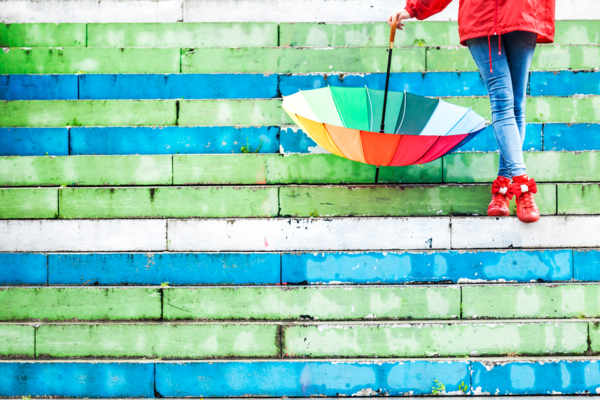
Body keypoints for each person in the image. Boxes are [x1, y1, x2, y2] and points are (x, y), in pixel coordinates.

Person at [389, 0, 555, 223]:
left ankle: (503, 188)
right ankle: (522, 187)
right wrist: (414, 9)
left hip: (522, 10)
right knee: (502, 101)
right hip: (484, 15)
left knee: (516, 104)